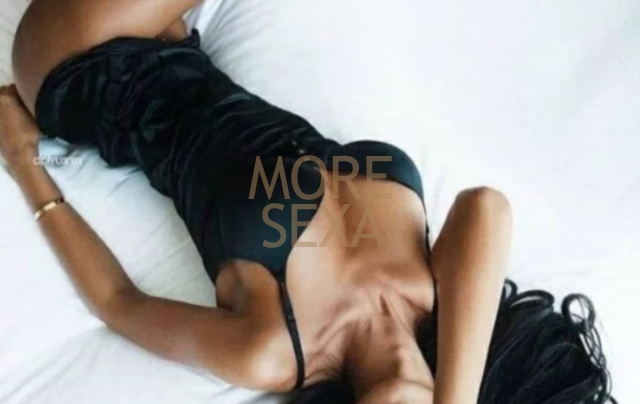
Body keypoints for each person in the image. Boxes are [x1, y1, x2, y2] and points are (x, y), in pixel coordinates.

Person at [0, 0, 614, 402]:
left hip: (88, 65)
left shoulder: (275, 350)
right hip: (173, 35)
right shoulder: (438, 291)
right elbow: (487, 207)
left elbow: (118, 302)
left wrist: (25, 163)